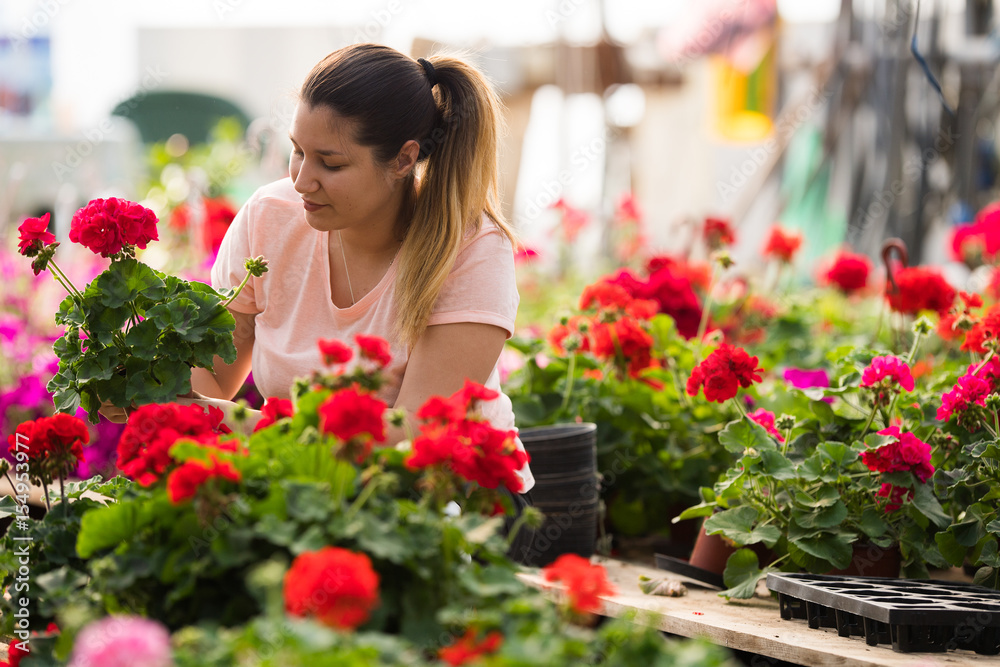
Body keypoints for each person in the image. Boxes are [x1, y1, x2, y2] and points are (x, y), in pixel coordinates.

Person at [160, 43, 533, 494]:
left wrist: (230, 420)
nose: (301, 181)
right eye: (297, 152)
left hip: (453, 503)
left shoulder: (470, 250)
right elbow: (215, 378)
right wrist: (155, 389)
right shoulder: (270, 217)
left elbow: (417, 436)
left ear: (403, 159)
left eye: (330, 163)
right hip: (307, 487)